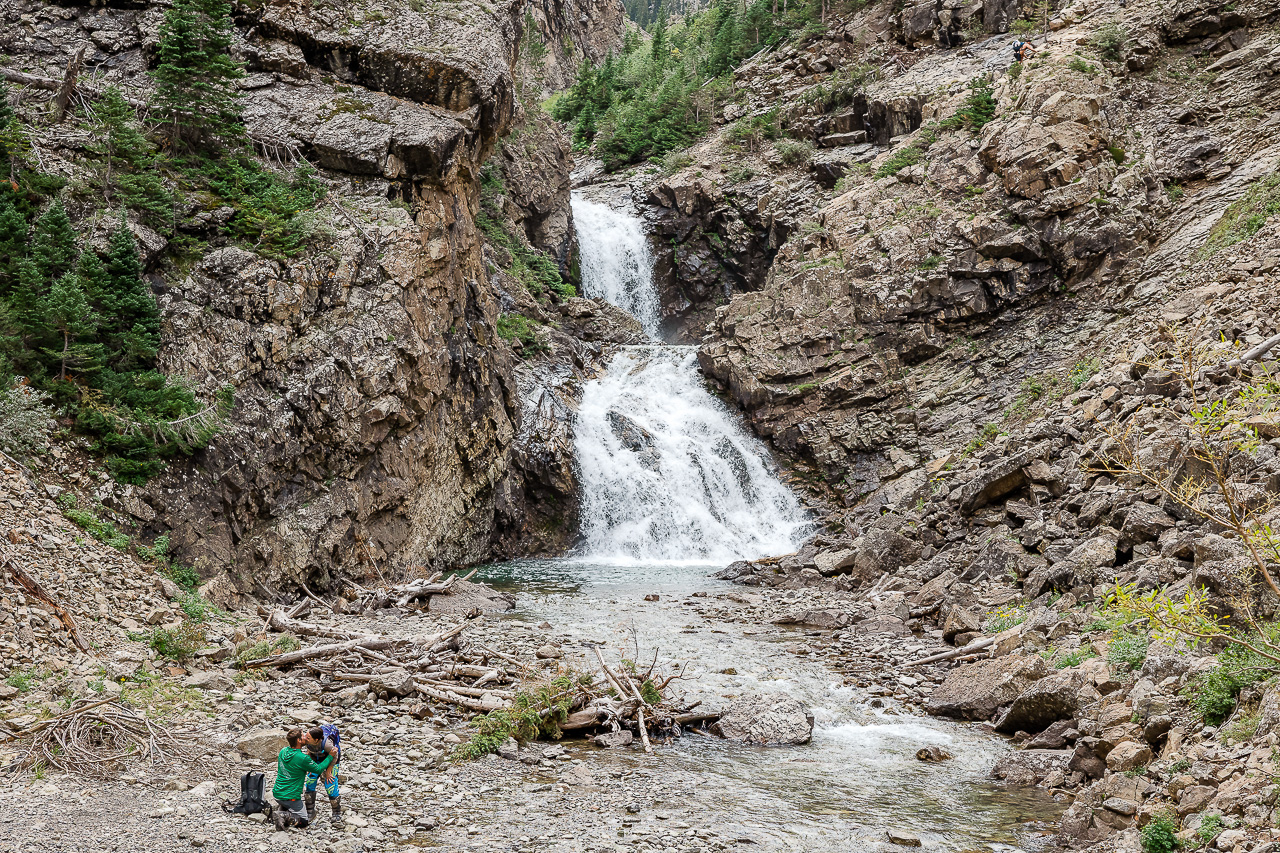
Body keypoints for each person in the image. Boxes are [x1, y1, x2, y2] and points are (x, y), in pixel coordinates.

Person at [272, 728, 335, 832]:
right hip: (291, 797)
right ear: (299, 741)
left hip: (277, 793)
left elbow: (295, 764)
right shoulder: (302, 758)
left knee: (286, 803)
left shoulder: (283, 751)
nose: (306, 737)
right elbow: (318, 769)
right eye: (303, 736)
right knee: (303, 821)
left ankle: (282, 811)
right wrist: (330, 756)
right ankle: (283, 815)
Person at [302, 724, 343, 829]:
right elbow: (309, 751)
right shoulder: (308, 742)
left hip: (331, 758)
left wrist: (328, 771)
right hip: (315, 757)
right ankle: (310, 811)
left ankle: (336, 813)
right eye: (306, 736)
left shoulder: (327, 744)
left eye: (308, 738)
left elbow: (335, 755)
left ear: (316, 740)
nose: (305, 739)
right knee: (310, 782)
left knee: (330, 783)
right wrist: (309, 765)